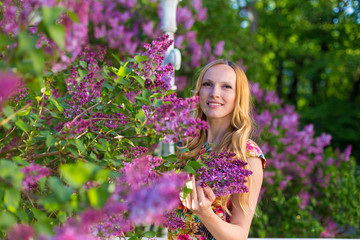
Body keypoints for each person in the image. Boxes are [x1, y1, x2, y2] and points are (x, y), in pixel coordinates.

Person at [168, 59, 266, 240]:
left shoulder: (247, 154)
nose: (214, 93)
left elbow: (240, 234)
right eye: (208, 84)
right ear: (199, 92)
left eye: (226, 87)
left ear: (239, 96)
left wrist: (205, 213)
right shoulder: (189, 147)